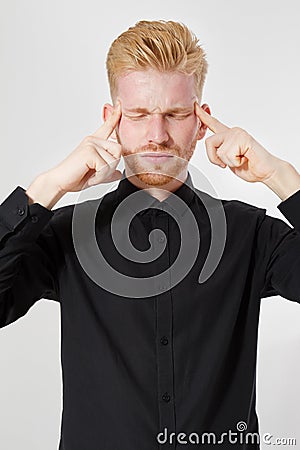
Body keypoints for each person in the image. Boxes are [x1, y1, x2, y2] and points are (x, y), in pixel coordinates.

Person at [0, 19, 299, 450]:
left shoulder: (251, 234)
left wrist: (281, 176)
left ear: (201, 122)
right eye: (138, 115)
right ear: (112, 120)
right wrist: (49, 188)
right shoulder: (64, 235)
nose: (157, 136)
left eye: (176, 115)